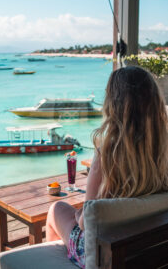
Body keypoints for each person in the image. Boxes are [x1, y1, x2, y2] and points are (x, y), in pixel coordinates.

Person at [46, 66, 168, 269]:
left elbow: (87, 220)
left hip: (106, 255)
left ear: (114, 106)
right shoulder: (163, 148)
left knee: (56, 209)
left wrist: (79, 215)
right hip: (148, 249)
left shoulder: (108, 154)